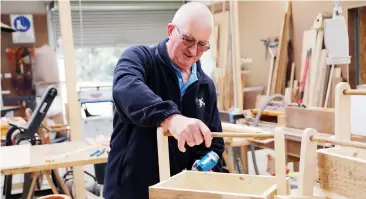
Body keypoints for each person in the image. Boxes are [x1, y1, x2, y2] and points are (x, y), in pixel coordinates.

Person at [103, 2, 225, 199]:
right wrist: (171, 118)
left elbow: (214, 144)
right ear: (170, 30)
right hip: (130, 190)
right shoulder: (139, 58)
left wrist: (207, 170)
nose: (193, 51)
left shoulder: (205, 86)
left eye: (202, 45)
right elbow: (125, 89)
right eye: (188, 40)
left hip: (176, 193)